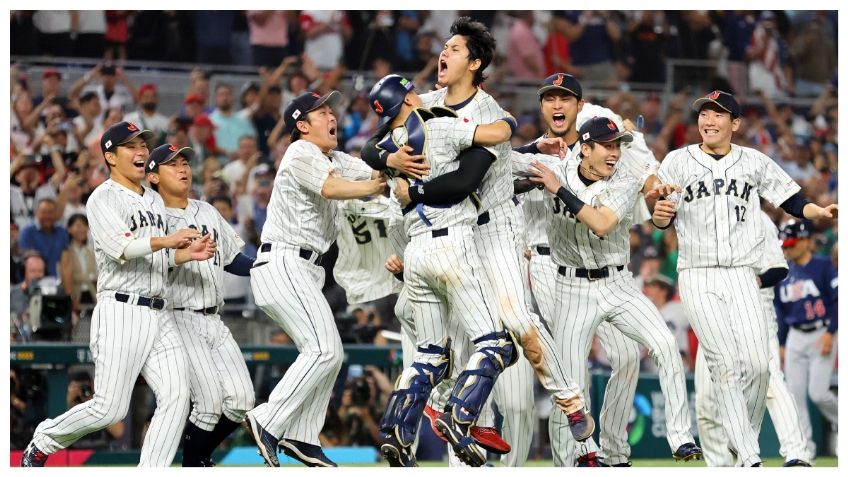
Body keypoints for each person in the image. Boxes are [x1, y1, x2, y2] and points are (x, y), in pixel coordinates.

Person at [361, 19, 592, 467]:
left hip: (495, 225)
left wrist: (417, 189)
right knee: (462, 336)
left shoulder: (489, 112)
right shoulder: (424, 103)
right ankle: (458, 415)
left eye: (453, 48)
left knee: (515, 320)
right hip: (454, 230)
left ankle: (570, 400)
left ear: (475, 61)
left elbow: (471, 174)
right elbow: (371, 147)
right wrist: (389, 156)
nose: (442, 54)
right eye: (443, 46)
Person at [651, 90, 838, 466]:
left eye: (719, 114)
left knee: (758, 366)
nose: (709, 120)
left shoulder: (752, 161)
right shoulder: (677, 161)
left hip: (741, 274)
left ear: (734, 124)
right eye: (704, 113)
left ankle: (742, 440)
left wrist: (816, 210)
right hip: (698, 273)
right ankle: (750, 459)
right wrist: (659, 214)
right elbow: (659, 210)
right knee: (723, 366)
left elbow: (791, 198)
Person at [20, 121, 215, 467]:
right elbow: (121, 247)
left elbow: (162, 255)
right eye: (131, 146)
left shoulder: (154, 199)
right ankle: (44, 440)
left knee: (177, 395)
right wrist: (168, 240)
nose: (141, 151)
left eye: (143, 144)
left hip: (160, 310)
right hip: (121, 309)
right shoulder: (102, 198)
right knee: (109, 408)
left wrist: (186, 253)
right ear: (110, 156)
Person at [366, 73, 521, 467]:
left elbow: (369, 151)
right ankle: (459, 414)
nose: (419, 94)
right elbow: (499, 134)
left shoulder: (386, 146)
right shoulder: (438, 123)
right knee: (497, 344)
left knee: (431, 355)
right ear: (407, 100)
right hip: (451, 243)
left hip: (415, 252)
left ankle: (396, 431)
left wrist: (387, 160)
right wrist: (510, 121)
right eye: (412, 92)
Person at [530, 116, 701, 466]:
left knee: (665, 344)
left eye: (618, 145)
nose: (614, 153)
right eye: (606, 146)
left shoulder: (623, 178)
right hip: (570, 287)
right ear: (585, 148)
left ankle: (681, 436)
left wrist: (558, 189)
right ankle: (577, 459)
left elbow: (603, 223)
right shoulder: (556, 168)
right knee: (571, 384)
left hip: (618, 283)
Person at [243, 91, 386, 468]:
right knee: (323, 350)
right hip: (284, 261)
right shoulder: (300, 152)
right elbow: (332, 188)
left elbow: (374, 174)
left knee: (331, 353)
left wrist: (393, 162)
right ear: (302, 125)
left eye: (330, 109)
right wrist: (373, 187)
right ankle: (268, 419)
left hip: (305, 269)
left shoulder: (333, 158)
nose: (330, 115)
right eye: (321, 111)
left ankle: (302, 436)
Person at [514, 73, 642, 467]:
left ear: (579, 108)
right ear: (542, 108)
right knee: (570, 371)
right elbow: (494, 169)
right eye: (549, 98)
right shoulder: (536, 155)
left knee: (626, 355)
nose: (556, 105)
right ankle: (570, 462)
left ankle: (615, 452)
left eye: (565, 98)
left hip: (601, 268)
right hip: (549, 264)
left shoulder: (604, 156)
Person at [145, 143, 256, 466]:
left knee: (241, 401)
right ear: (153, 176)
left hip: (214, 319)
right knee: (207, 404)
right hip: (178, 316)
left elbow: (235, 260)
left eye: (185, 163)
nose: (183, 169)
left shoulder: (206, 211)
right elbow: (149, 265)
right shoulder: (152, 217)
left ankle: (198, 457)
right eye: (172, 165)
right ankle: (194, 465)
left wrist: (270, 263)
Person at [696, 212, 812, 467]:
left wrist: (745, 284)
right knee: (705, 399)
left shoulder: (756, 218)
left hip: (754, 305)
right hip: (712, 309)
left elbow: (778, 267)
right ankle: (722, 466)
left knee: (770, 380)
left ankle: (797, 453)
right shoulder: (701, 213)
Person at [775, 219, 838, 461]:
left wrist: (831, 332)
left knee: (818, 393)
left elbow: (837, 301)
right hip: (795, 336)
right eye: (785, 245)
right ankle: (804, 450)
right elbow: (779, 311)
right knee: (795, 397)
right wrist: (781, 343)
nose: (787, 249)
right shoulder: (783, 271)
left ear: (805, 241)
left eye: (791, 243)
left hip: (822, 331)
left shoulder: (822, 266)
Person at [18, 198, 69, 277]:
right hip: (33, 281)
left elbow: (66, 263)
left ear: (56, 214)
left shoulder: (62, 232)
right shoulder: (27, 232)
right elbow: (27, 261)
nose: (47, 216)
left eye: (51, 212)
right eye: (44, 212)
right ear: (36, 213)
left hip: (55, 282)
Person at [58, 214, 97, 314]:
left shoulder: (91, 252)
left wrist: (91, 277)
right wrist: (90, 277)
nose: (83, 229)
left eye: (85, 225)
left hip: (92, 295)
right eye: (78, 225)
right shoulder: (66, 252)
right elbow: (68, 275)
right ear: (69, 229)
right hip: (75, 296)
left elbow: (97, 274)